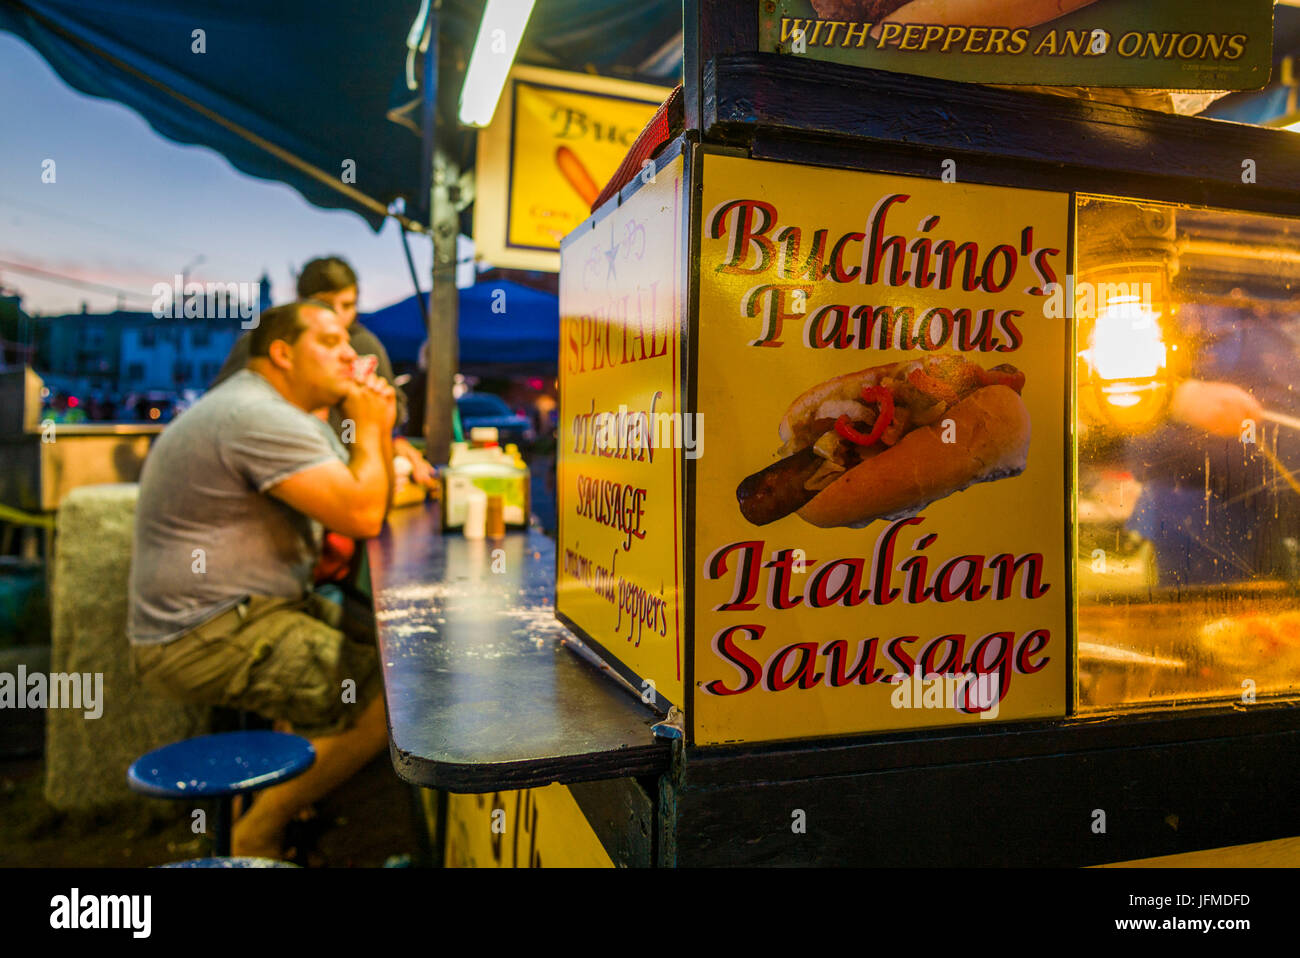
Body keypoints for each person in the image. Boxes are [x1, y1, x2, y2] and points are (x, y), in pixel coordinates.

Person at [129, 300, 396, 859]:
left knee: (387, 651)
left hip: (241, 610)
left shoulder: (269, 410)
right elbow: (363, 512)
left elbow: (363, 487)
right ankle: (259, 831)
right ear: (281, 353)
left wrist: (370, 437)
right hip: (205, 632)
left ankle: (268, 802)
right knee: (390, 700)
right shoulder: (257, 415)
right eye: (330, 340)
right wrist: (373, 426)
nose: (350, 352)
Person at [213, 255, 436, 486]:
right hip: (282, 466)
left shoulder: (365, 345)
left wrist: (380, 433)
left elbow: (391, 410)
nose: (338, 315)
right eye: (326, 304)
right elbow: (224, 409)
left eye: (348, 305)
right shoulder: (263, 341)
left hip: (345, 462)